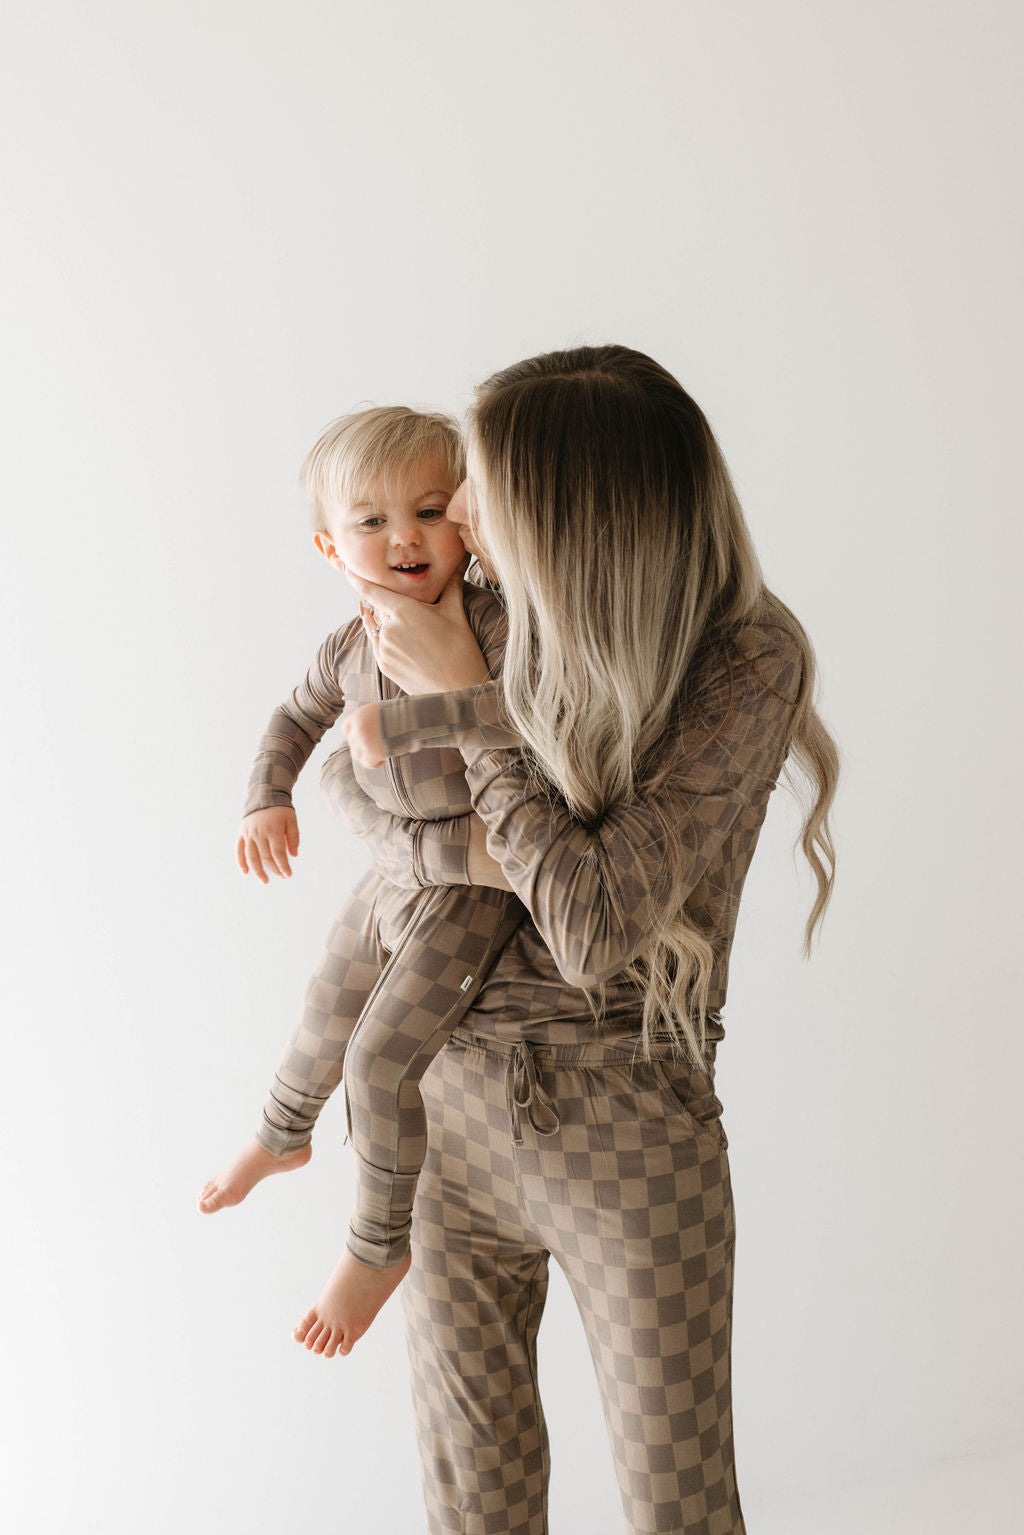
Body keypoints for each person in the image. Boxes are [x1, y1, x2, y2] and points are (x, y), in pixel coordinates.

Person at [308, 344, 840, 1535]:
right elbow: (353, 792)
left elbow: (592, 927)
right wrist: (504, 839)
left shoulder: (745, 656)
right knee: (473, 1498)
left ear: (565, 509)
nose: (452, 520)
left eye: (473, 492)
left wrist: (464, 709)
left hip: (630, 1130)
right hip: (444, 1112)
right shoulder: (489, 619)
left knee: (677, 1505)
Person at [197, 406, 529, 1328]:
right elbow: (291, 721)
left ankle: (377, 1246)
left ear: (468, 520)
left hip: (473, 889)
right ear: (329, 546)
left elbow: (525, 720)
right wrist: (269, 794)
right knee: (324, 1003)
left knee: (380, 1057)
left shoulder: (497, 623)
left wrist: (411, 719)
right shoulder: (348, 646)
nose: (405, 538)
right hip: (394, 876)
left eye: (429, 511)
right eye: (372, 522)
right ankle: (281, 1131)